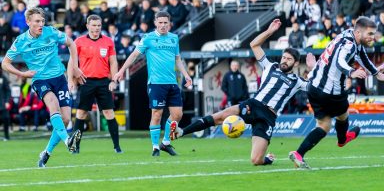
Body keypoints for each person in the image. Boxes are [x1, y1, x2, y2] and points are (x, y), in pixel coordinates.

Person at [169, 19, 315, 165]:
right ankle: (181, 132)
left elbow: (316, 87)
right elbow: (254, 44)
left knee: (256, 160)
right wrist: (269, 32)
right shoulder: (271, 66)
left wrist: (313, 68)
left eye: (289, 59)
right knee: (219, 117)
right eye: (284, 57)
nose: (285, 60)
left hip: (268, 116)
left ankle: (268, 159)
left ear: (296, 63)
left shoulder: (298, 81)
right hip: (254, 105)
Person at [289, 16, 384, 169]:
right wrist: (351, 72)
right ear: (359, 32)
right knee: (343, 114)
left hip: (313, 87)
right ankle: (342, 140)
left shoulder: (347, 35)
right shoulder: (350, 45)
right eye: (370, 34)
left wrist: (375, 72)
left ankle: (299, 154)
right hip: (330, 91)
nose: (373, 37)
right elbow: (340, 61)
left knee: (324, 125)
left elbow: (362, 56)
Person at [1, 7, 85, 167]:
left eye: (42, 21)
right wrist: (23, 74)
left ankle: (46, 152)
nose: (41, 24)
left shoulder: (51, 32)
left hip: (59, 77)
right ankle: (68, 141)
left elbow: (71, 44)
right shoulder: (20, 41)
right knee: (53, 105)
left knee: (66, 118)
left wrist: (74, 67)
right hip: (40, 79)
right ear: (28, 22)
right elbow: (5, 63)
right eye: (37, 21)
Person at [113, 11, 192, 156]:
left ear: (169, 24)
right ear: (155, 23)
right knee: (156, 114)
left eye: (165, 23)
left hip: (172, 83)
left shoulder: (174, 38)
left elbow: (178, 59)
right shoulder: (148, 38)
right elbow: (134, 55)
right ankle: (155, 146)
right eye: (160, 23)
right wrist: (121, 71)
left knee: (177, 115)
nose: (163, 26)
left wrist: (186, 75)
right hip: (156, 83)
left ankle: (166, 143)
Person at [71, 14, 122, 153]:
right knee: (81, 114)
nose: (96, 28)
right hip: (86, 81)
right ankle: (75, 146)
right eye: (93, 25)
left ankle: (117, 147)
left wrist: (113, 80)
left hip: (103, 82)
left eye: (99, 25)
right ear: (87, 26)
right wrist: (71, 80)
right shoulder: (79, 42)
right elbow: (72, 62)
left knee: (109, 113)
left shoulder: (108, 41)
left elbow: (113, 62)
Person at [0, 69, 11, 140]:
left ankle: (6, 136)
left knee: (6, 119)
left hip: (2, 103)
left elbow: (8, 91)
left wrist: (7, 101)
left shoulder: (3, 78)